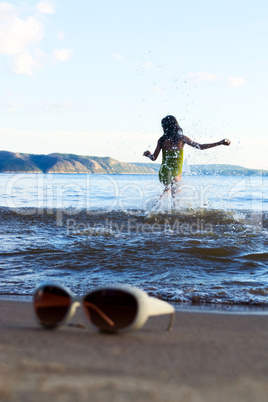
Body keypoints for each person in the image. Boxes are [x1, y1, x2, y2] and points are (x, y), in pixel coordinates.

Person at [143, 115, 231, 199]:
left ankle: (157, 207)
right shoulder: (182, 138)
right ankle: (172, 211)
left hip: (164, 172)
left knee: (168, 189)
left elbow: (154, 158)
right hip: (176, 172)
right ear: (176, 126)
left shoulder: (162, 140)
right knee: (176, 192)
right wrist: (220, 142)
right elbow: (201, 147)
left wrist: (148, 154)